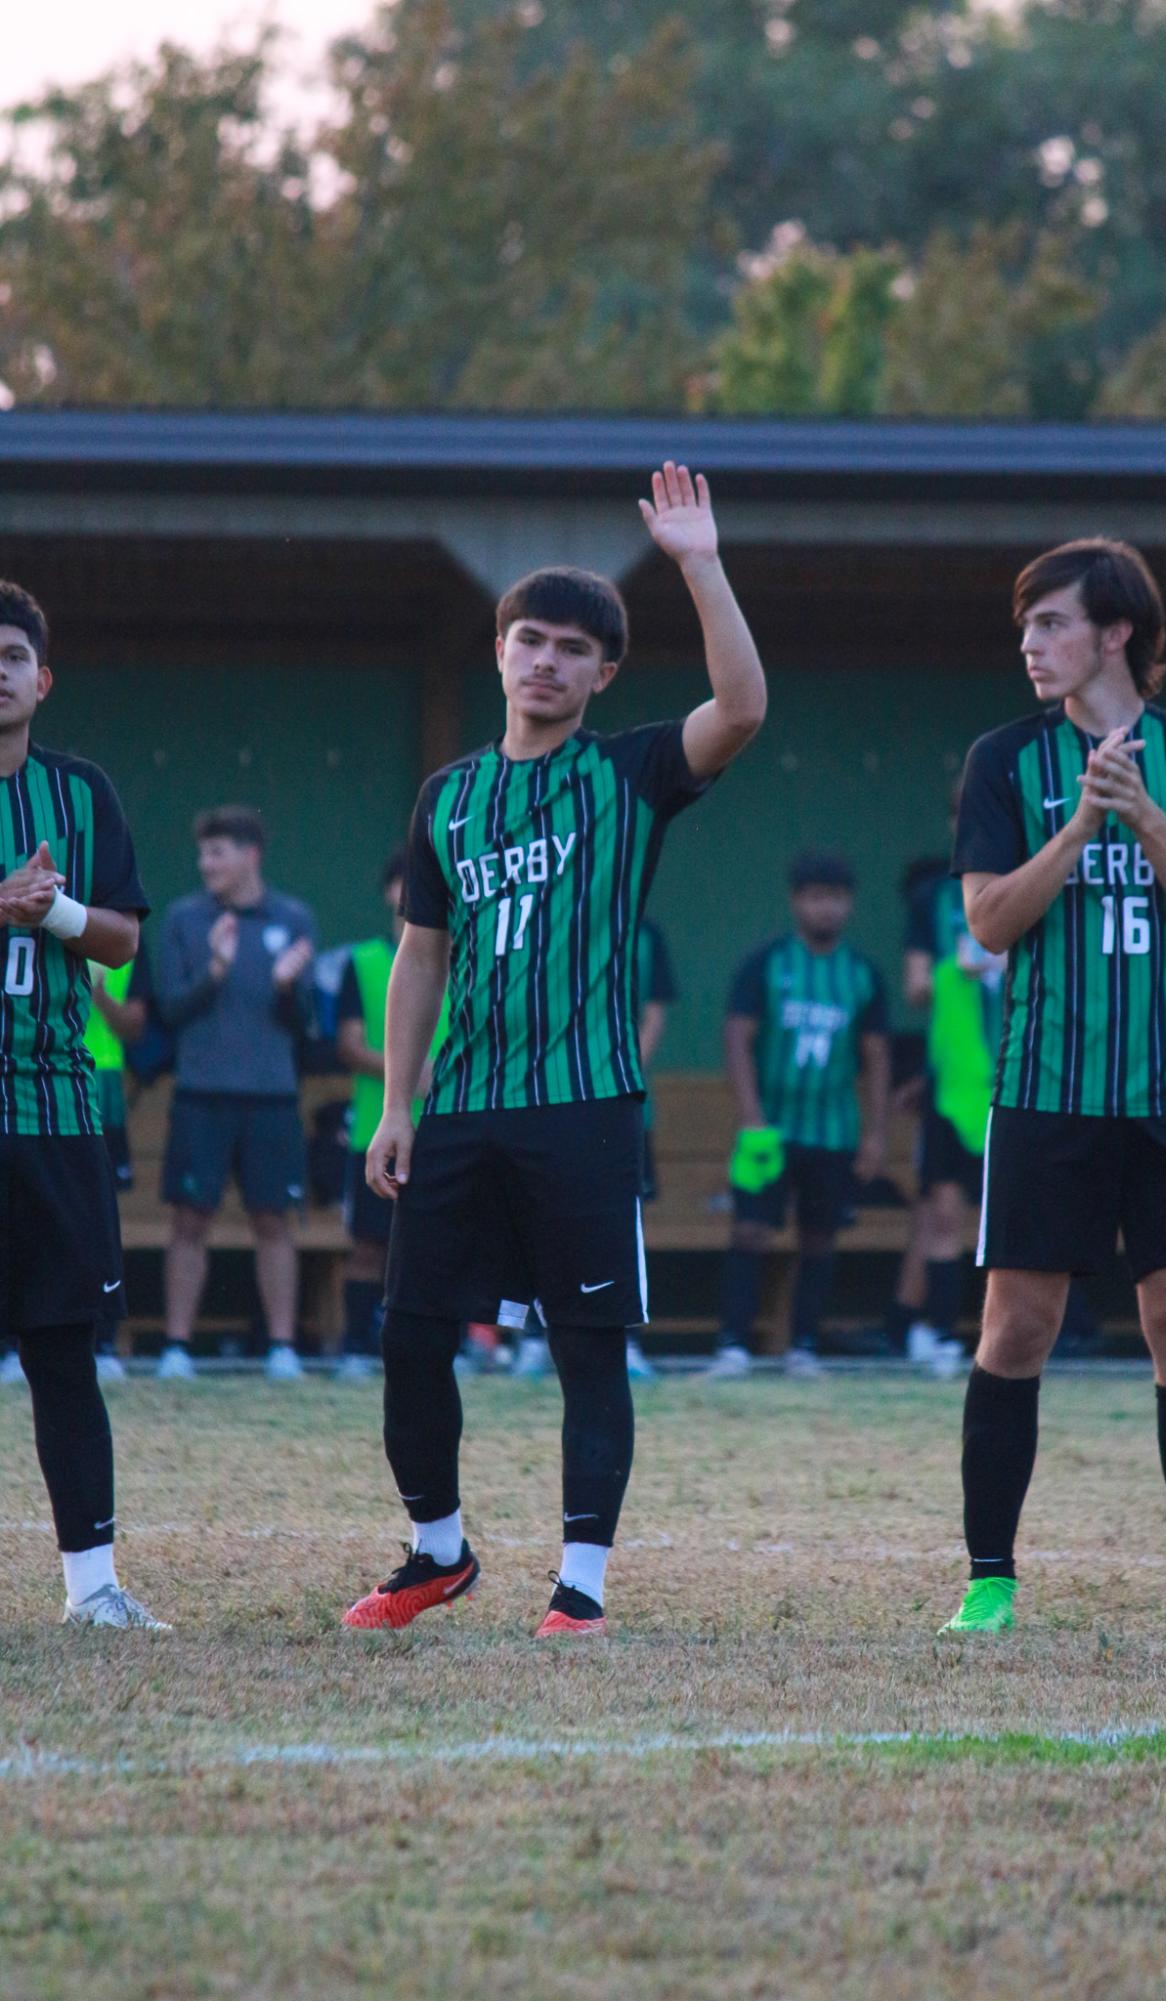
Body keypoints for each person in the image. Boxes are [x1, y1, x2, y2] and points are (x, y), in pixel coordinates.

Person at [342, 461, 766, 1638]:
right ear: (498, 653)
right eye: (529, 639)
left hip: (582, 1109)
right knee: (410, 1336)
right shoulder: (448, 798)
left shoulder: (629, 773)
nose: (547, 661)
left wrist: (698, 563)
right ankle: (436, 1553)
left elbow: (740, 710)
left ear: (602, 673)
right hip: (461, 1109)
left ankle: (578, 1584)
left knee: (587, 1348)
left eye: (573, 649)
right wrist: (396, 1105)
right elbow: (421, 955)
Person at [940, 536, 1166, 1638]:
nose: (1029, 645)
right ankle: (989, 1578)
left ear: (1114, 632)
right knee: (1016, 1331)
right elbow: (987, 922)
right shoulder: (1002, 760)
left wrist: (1139, 815)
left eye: (1050, 623)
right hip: (1043, 1093)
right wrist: (1080, 825)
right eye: (1022, 628)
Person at [0, 579, 168, 1628]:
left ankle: (92, 1589)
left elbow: (124, 941)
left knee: (64, 1356)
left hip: (58, 1114)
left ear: (41, 679)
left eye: (10, 656)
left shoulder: (82, 792)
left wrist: (50, 906)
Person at [707, 852, 891, 1379]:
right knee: (750, 1233)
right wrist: (751, 1119)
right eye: (815, 897)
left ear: (849, 904)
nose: (826, 908)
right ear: (796, 901)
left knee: (819, 1238)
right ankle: (733, 1347)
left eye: (835, 897)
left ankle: (803, 1347)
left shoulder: (862, 974)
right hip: (770, 1131)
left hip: (833, 1133)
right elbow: (737, 1040)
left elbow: (877, 1057)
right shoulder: (766, 964)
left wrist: (875, 1134)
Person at [156, 806, 317, 1381]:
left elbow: (304, 1026)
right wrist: (215, 971)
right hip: (201, 1095)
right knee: (188, 1222)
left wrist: (287, 986)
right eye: (203, 854)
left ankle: (281, 1349)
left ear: (251, 855)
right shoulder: (183, 919)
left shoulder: (293, 918)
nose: (206, 865)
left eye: (217, 853)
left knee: (274, 1221)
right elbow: (169, 1011)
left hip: (272, 1098)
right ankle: (176, 1349)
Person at [511, 913, 676, 1384]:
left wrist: (614, 1073)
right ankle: (530, 1340)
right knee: (538, 1216)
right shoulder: (546, 917)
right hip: (547, 1098)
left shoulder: (647, 933)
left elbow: (654, 1015)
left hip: (621, 1106)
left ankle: (627, 1342)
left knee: (622, 1223)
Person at [334, 850, 449, 1381]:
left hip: (449, 1127)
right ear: (390, 891)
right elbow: (349, 1046)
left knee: (449, 1247)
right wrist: (406, 1074)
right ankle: (358, 1346)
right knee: (369, 1244)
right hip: (374, 1126)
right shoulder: (363, 962)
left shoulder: (464, 955)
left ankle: (457, 1346)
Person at [900, 808, 1003, 1371]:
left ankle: (1010, 1338)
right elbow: (915, 987)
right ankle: (938, 1332)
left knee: (1014, 1214)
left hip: (1017, 1078)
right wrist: (958, 969)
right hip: (954, 1082)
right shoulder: (932, 900)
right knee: (943, 1211)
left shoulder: (1029, 884)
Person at [83, 947, 152, 1382]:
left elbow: (134, 1028)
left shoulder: (120, 939)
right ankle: (14, 1347)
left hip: (100, 1087)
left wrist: (101, 996)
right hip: (32, 1079)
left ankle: (104, 1342)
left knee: (98, 1219)